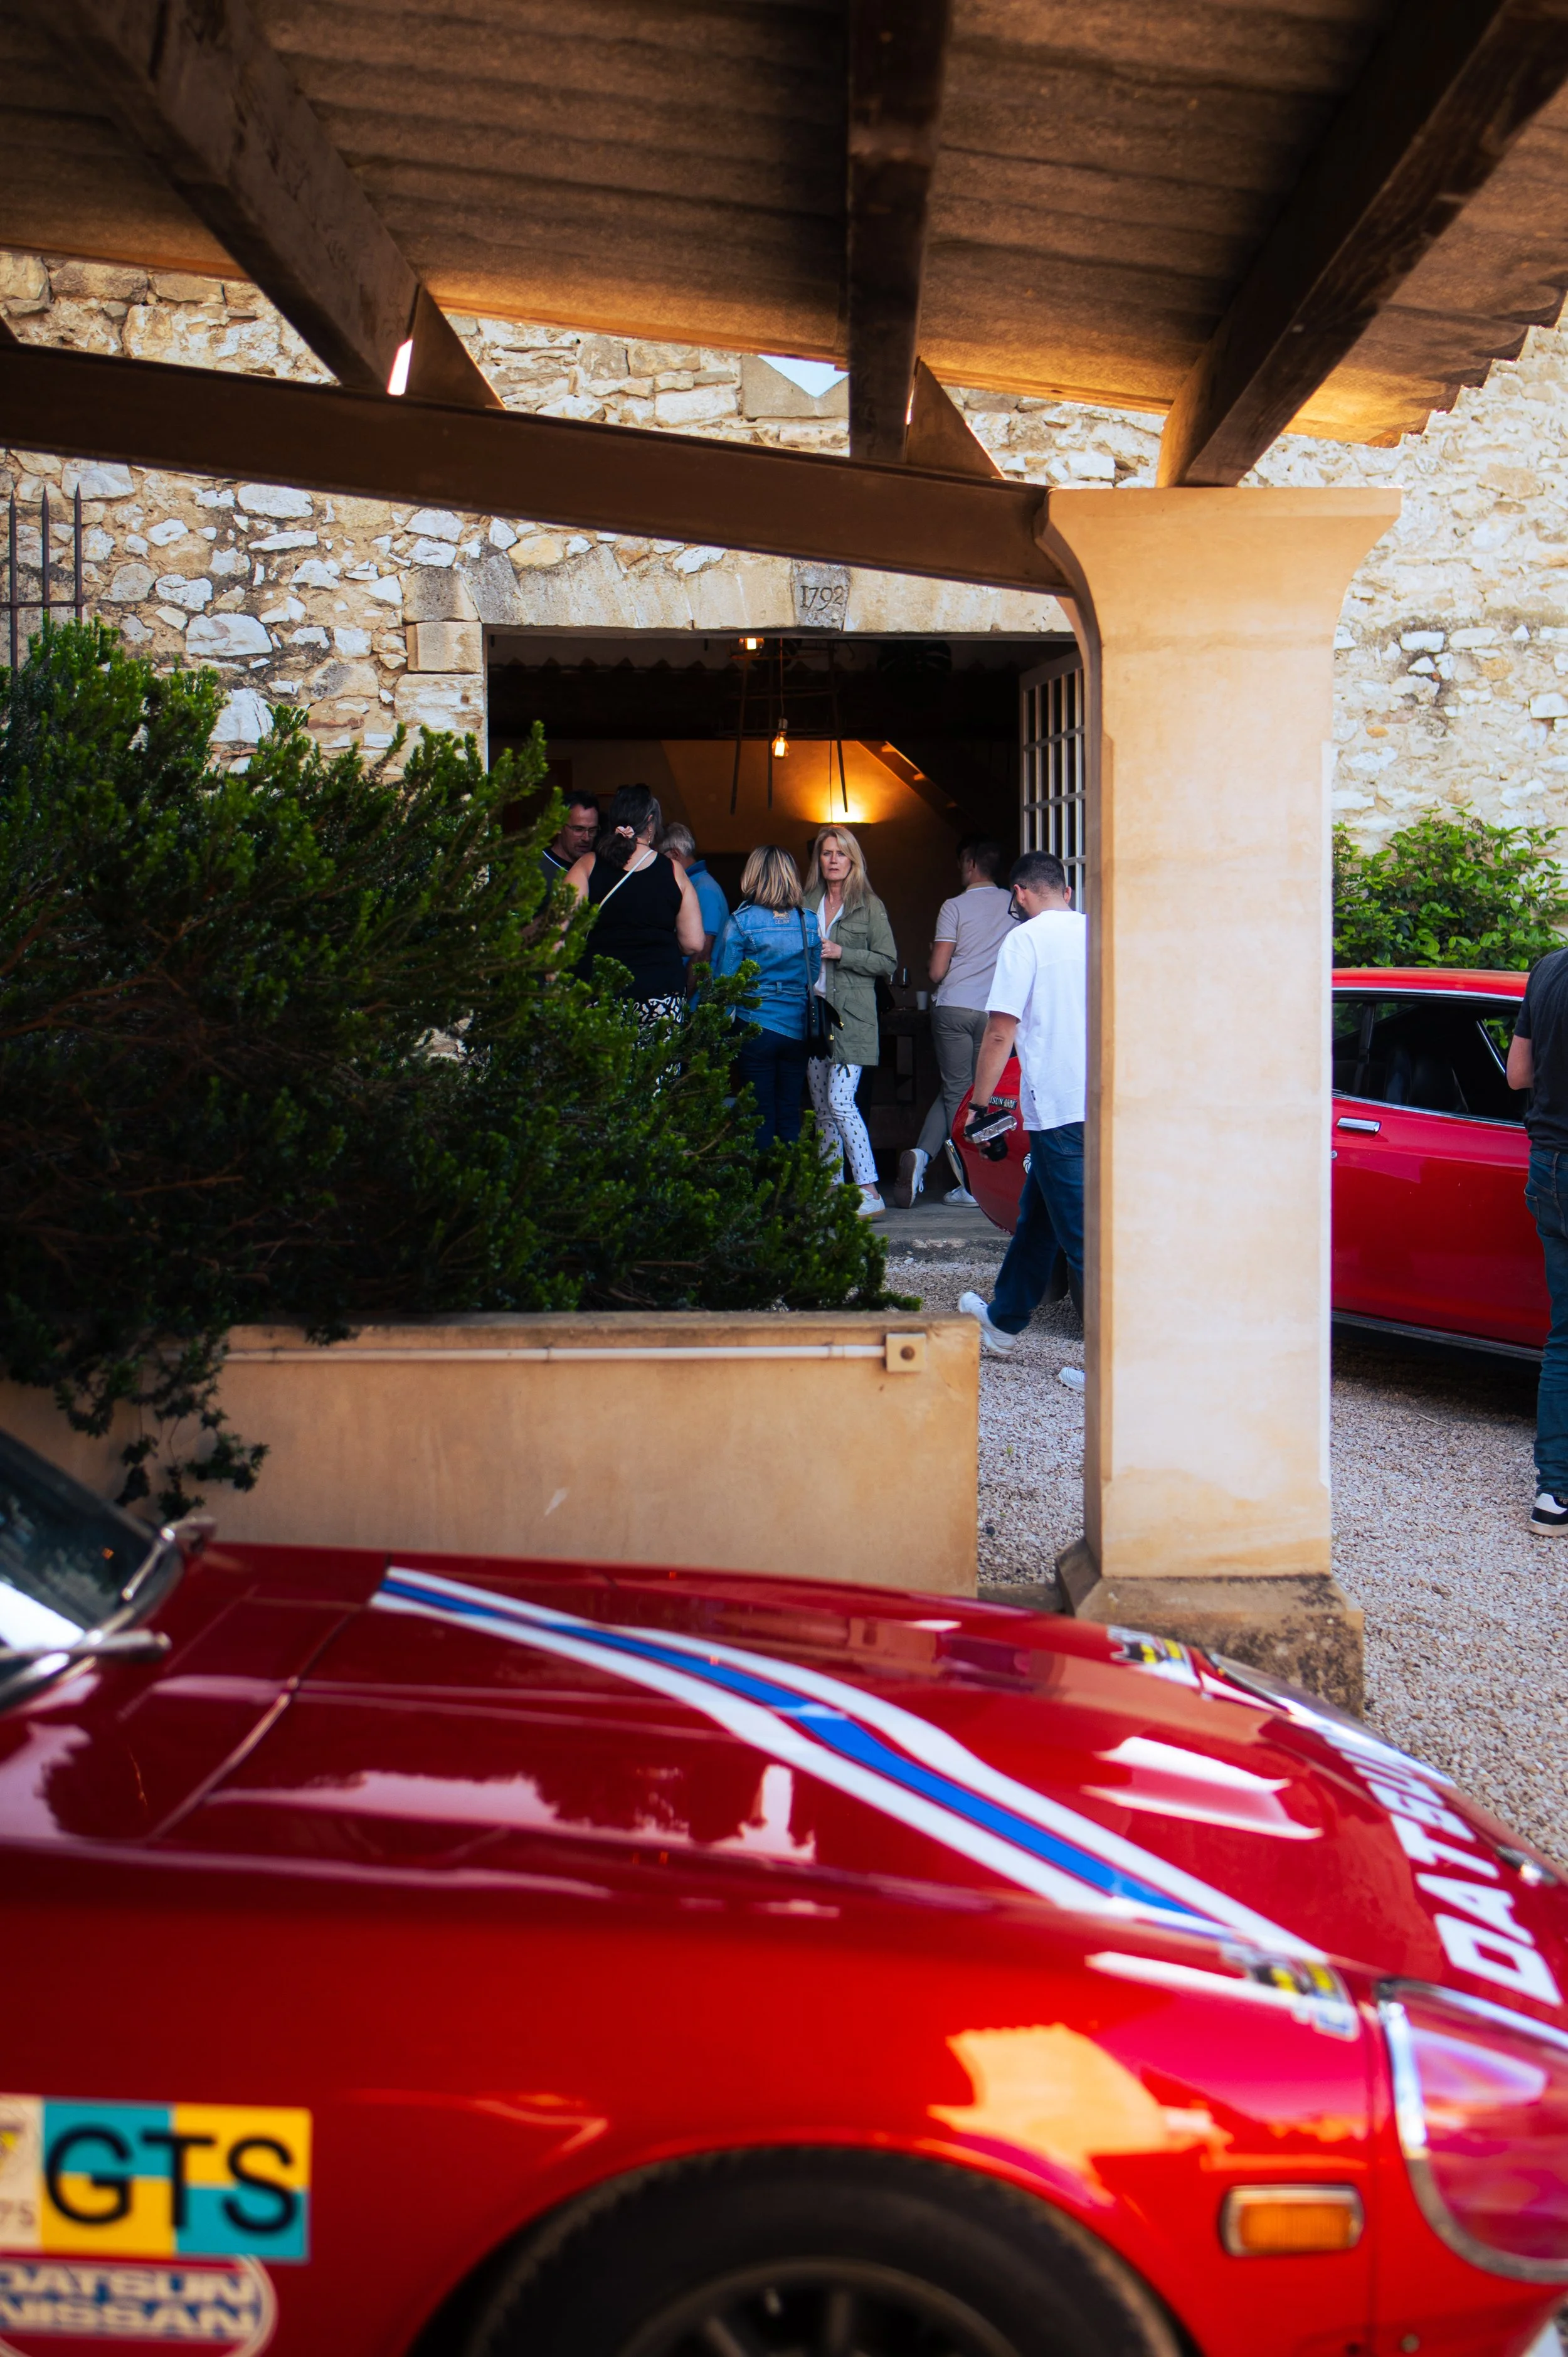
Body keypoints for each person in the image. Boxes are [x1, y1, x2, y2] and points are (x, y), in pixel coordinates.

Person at [956, 851, 1086, 1354]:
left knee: (1081, 1236)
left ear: (1020, 894)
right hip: (1104, 1100)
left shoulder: (1024, 940)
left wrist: (978, 1104)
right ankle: (1004, 1321)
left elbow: (1000, 1032)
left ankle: (1115, 1368)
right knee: (1041, 1215)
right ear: (1067, 892)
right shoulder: (1097, 931)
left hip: (1057, 1103)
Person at [894, 837, 1015, 1209]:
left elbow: (936, 971)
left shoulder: (954, 906)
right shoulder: (1014, 904)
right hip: (996, 1010)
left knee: (957, 1094)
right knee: (970, 1092)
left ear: (970, 864)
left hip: (955, 1009)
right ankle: (933, 1161)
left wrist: (936, 955)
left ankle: (967, 1180)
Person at [802, 825, 898, 1217]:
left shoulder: (869, 905)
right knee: (822, 1106)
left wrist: (844, 952)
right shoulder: (806, 902)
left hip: (852, 1018)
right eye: (827, 853)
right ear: (819, 860)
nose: (834, 860)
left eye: (841, 853)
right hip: (813, 1014)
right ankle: (830, 1188)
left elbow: (888, 962)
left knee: (842, 1102)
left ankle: (869, 1190)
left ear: (852, 859)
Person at [1509, 958, 1568, 1530]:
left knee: (1564, 1337)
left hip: (1548, 1166)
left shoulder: (1548, 970)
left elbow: (1517, 1075)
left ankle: (1554, 1494)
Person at [568, 784, 705, 1025]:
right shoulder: (673, 871)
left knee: (604, 1063)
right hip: (661, 994)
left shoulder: (587, 865)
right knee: (658, 1063)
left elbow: (560, 925)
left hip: (602, 993)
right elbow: (694, 943)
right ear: (650, 822)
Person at [712, 846, 820, 1147]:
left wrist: (721, 1036)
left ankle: (761, 1188)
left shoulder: (741, 922)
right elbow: (813, 974)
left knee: (758, 1112)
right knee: (789, 1110)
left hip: (755, 1026)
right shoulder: (807, 921)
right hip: (798, 1028)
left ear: (754, 875)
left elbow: (727, 984)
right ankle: (787, 1188)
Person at [657, 823, 729, 960]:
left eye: (660, 857)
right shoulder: (695, 884)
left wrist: (689, 981)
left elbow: (702, 953)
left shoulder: (704, 888)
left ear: (675, 854)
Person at [541, 790, 601, 887]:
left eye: (592, 830)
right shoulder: (536, 871)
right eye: (578, 829)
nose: (586, 838)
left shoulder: (597, 870)